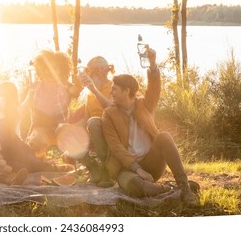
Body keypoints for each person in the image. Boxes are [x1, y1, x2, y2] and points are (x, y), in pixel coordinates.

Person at [101, 48, 198, 206]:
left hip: (152, 162)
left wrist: (152, 63)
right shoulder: (109, 114)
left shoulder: (144, 104)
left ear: (126, 91)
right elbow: (116, 148)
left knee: (164, 136)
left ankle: (185, 188)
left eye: (114, 88)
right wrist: (138, 169)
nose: (110, 91)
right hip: (127, 168)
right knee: (134, 187)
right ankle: (168, 188)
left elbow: (154, 88)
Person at [0, 81, 56, 173]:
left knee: (31, 162)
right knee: (24, 167)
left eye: (2, 94)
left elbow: (26, 103)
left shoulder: (14, 113)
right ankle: (42, 165)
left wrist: (31, 93)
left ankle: (51, 167)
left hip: (18, 149)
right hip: (4, 152)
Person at [25, 50, 81, 160]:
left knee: (65, 132)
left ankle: (69, 158)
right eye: (46, 69)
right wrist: (31, 133)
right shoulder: (37, 87)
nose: (49, 73)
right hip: (42, 128)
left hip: (60, 129)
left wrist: (76, 84)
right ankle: (41, 162)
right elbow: (33, 115)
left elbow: (76, 92)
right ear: (42, 70)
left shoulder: (65, 85)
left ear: (60, 71)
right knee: (36, 142)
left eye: (54, 69)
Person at [72, 56, 115, 186]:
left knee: (94, 122)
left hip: (110, 129)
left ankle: (107, 169)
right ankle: (93, 167)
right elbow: (85, 118)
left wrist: (94, 90)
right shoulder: (90, 93)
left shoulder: (113, 86)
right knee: (65, 130)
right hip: (92, 128)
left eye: (90, 71)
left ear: (101, 71)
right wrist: (68, 129)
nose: (88, 75)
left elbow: (112, 110)